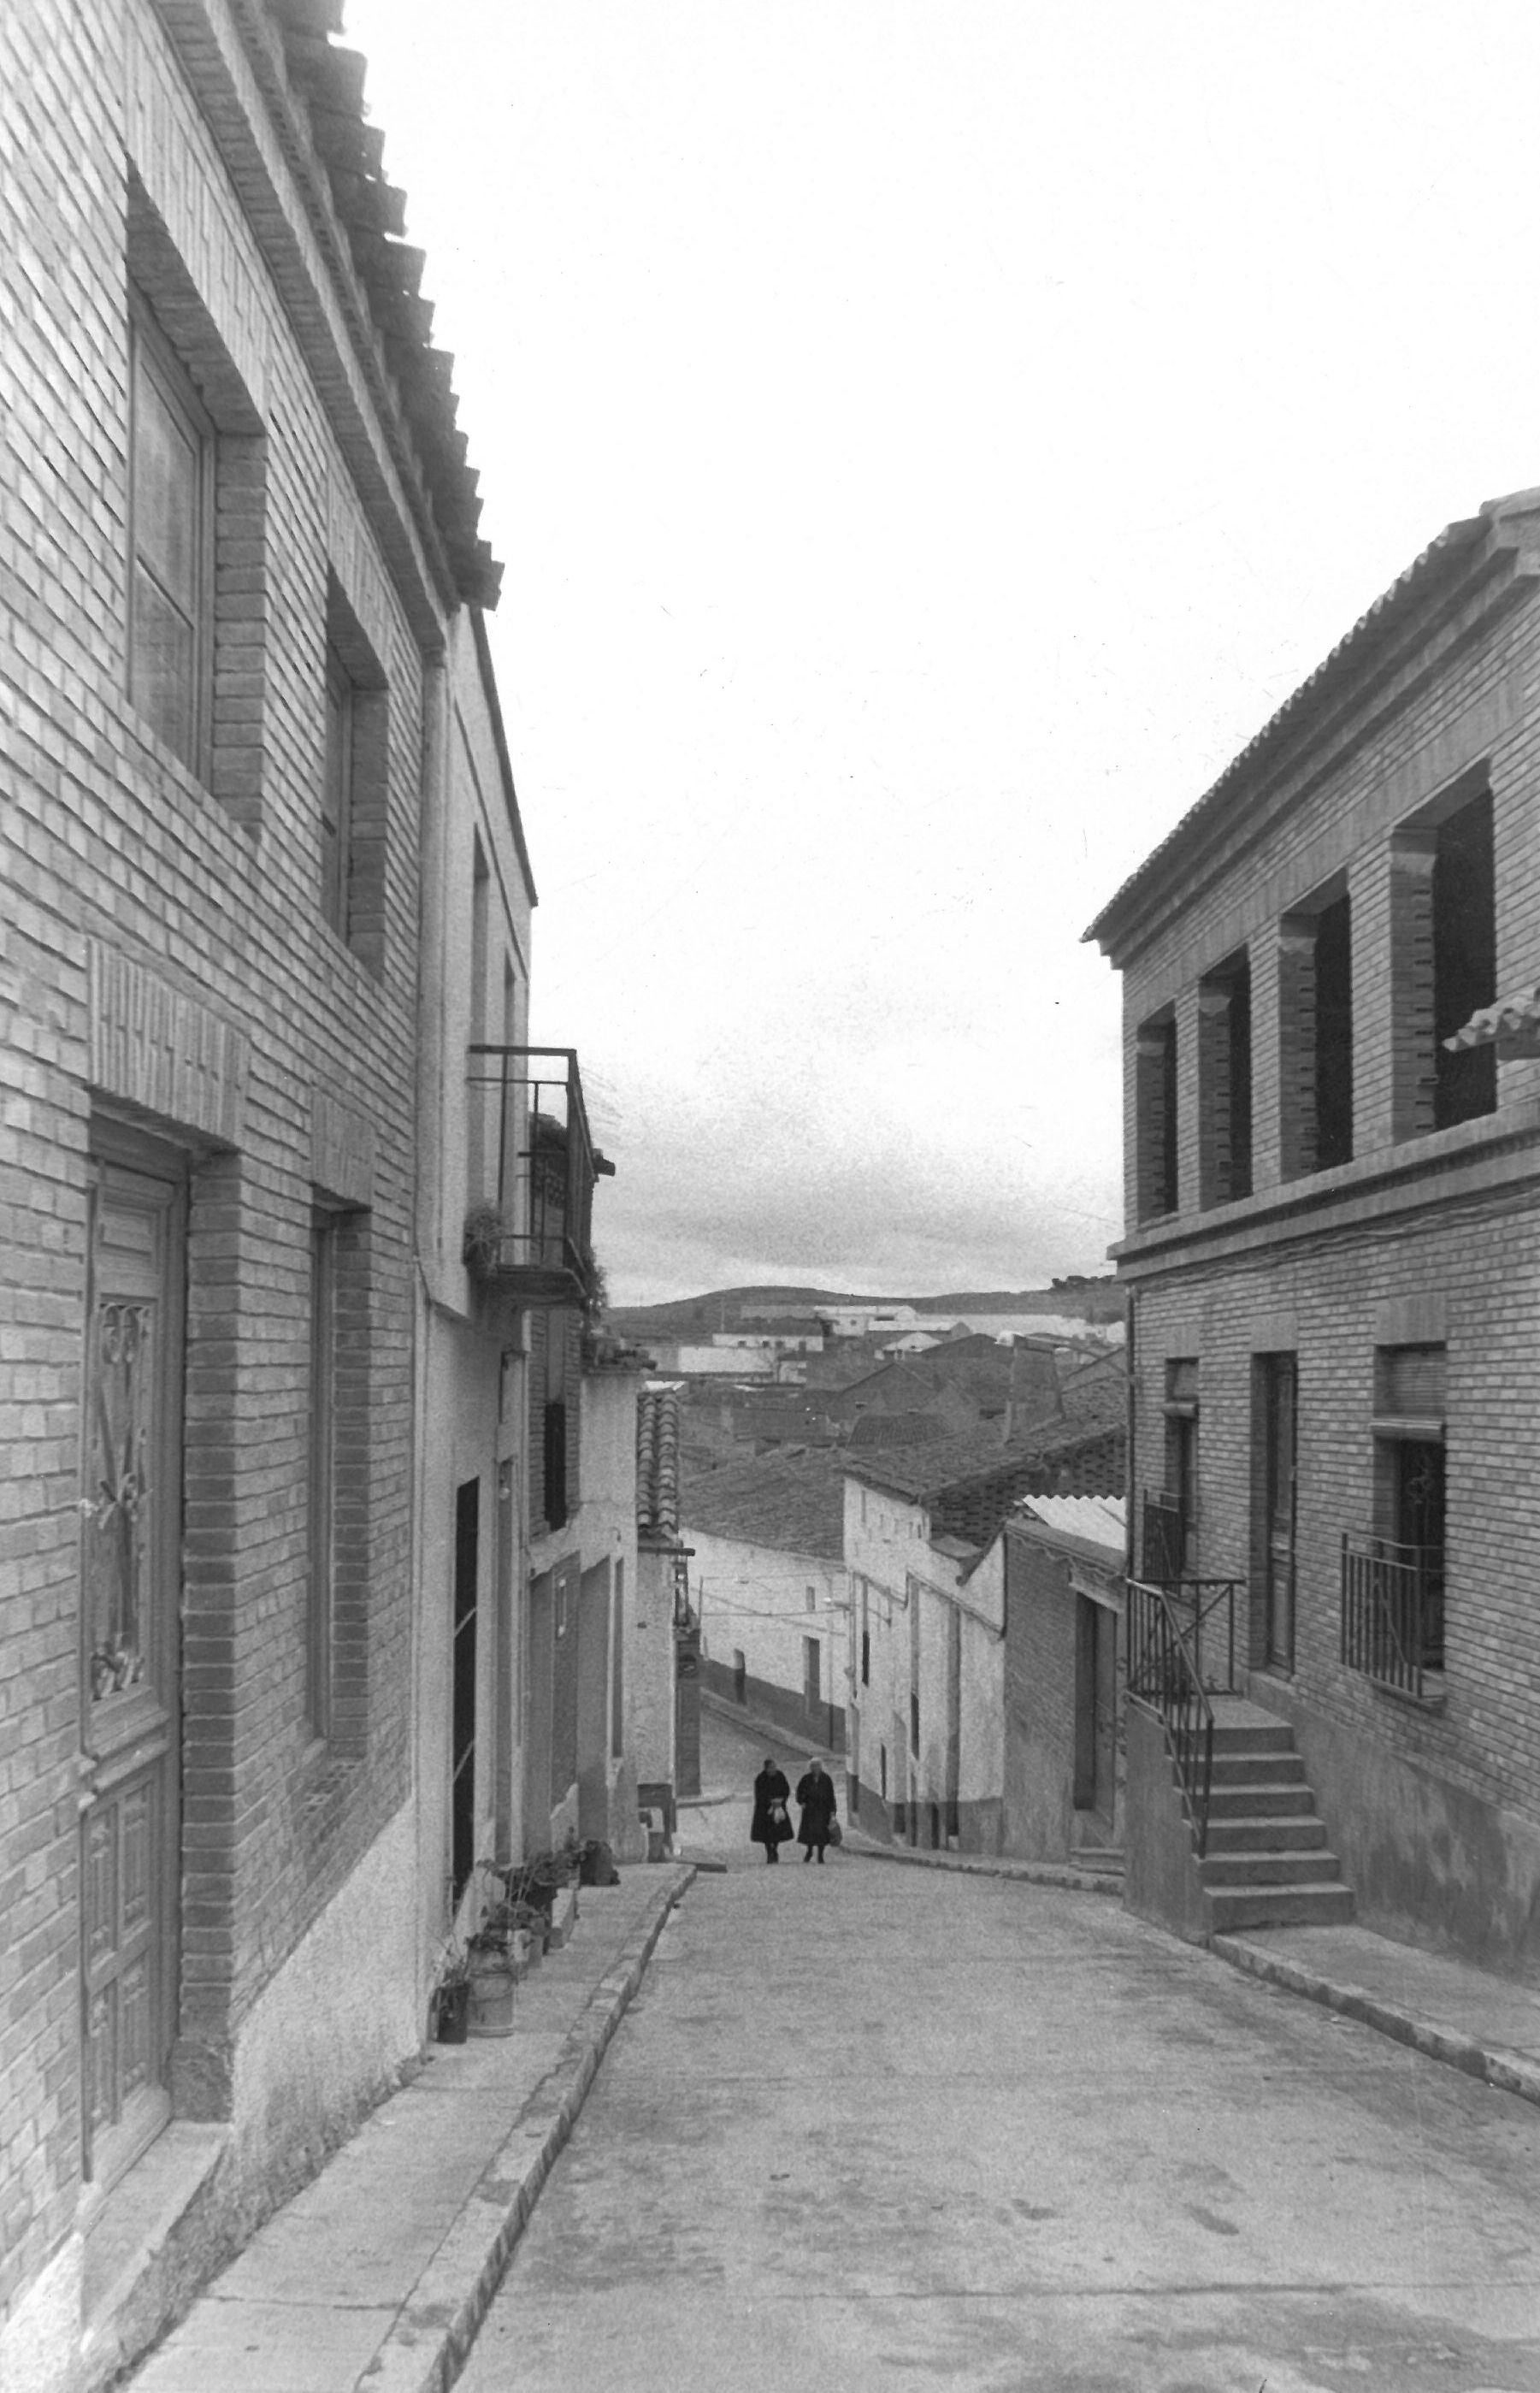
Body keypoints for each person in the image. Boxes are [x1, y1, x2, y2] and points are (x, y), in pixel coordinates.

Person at [795, 1757, 838, 1864]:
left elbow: (831, 1795)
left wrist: (833, 1811)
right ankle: (809, 1851)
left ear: (821, 1767)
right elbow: (799, 1792)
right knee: (810, 1832)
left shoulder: (826, 1779)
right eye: (813, 1766)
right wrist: (802, 1802)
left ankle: (820, 1855)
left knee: (822, 1833)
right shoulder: (806, 1778)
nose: (815, 1768)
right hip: (810, 1809)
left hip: (823, 1809)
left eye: (817, 1766)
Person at [751, 1757, 792, 1863]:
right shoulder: (760, 1778)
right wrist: (770, 1802)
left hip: (779, 1807)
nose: (773, 1769)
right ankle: (769, 1852)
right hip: (765, 1810)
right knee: (766, 1834)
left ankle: (775, 1849)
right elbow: (759, 1794)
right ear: (766, 1768)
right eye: (771, 1767)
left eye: (774, 1767)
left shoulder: (780, 1776)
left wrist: (781, 1800)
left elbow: (786, 1789)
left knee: (778, 1832)